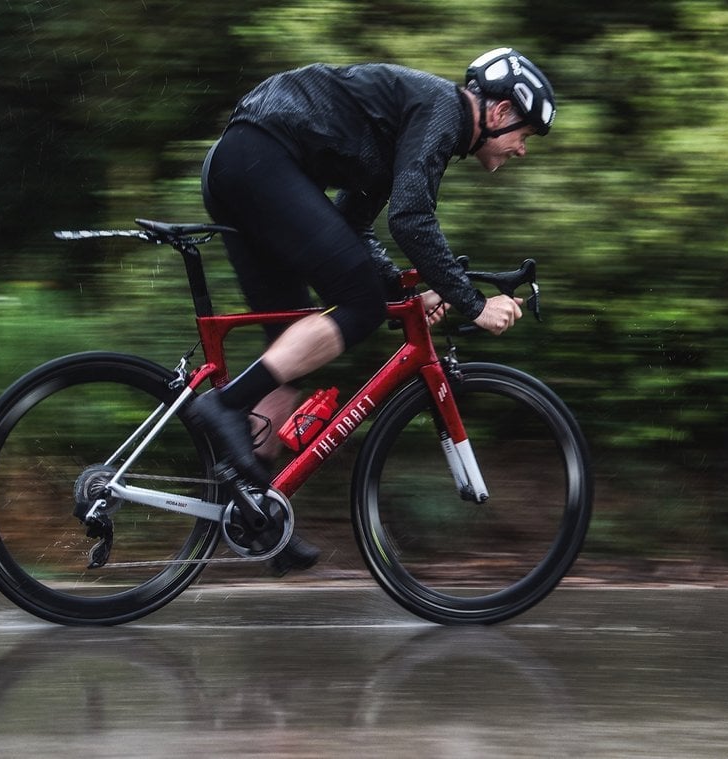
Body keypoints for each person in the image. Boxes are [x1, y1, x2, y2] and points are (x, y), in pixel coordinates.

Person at [195, 47, 556, 574]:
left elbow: (353, 225)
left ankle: (255, 513)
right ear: (499, 113)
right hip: (258, 157)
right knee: (358, 305)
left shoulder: (414, 127)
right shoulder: (442, 110)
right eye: (524, 135)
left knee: (290, 345)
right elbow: (412, 220)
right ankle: (224, 408)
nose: (522, 150)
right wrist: (472, 304)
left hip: (246, 165)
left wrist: (413, 290)